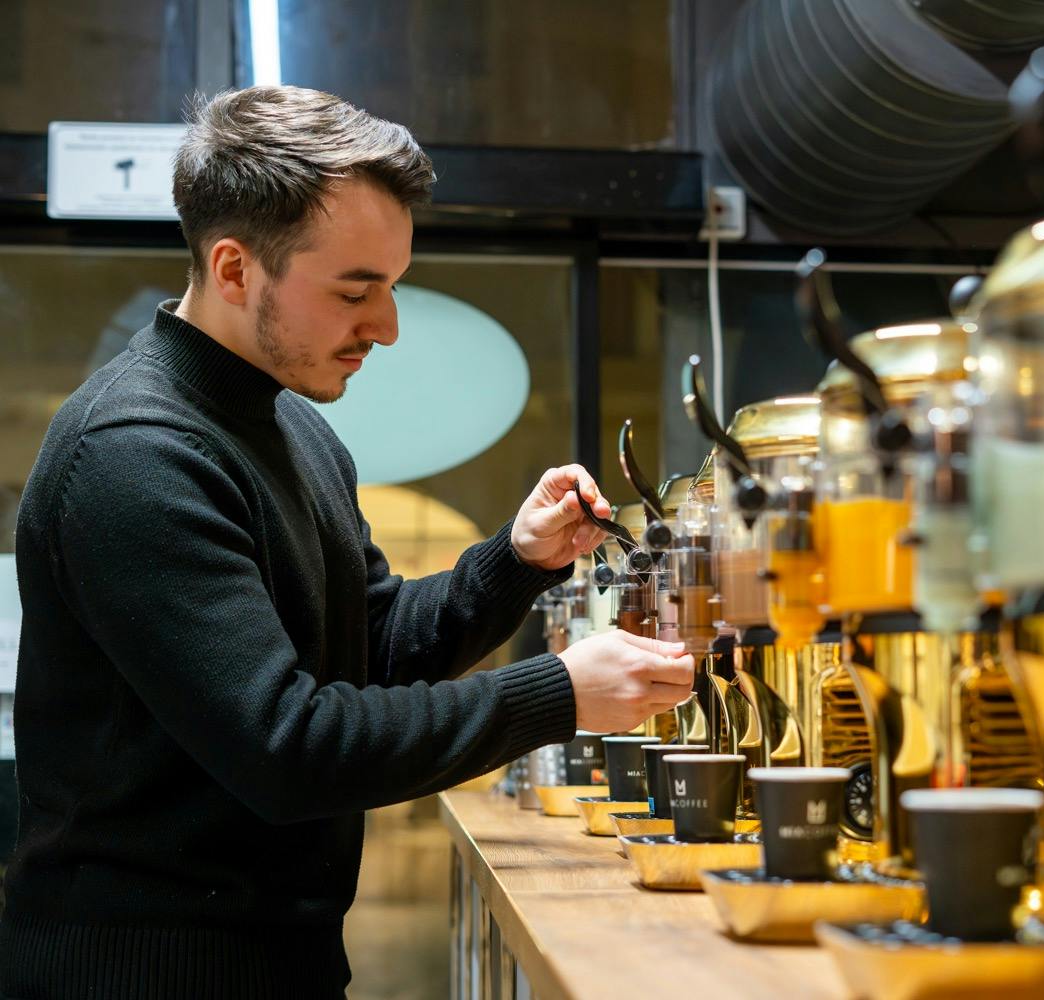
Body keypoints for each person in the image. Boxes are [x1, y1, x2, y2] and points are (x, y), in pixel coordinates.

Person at [0, 85, 695, 998]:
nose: (388, 327)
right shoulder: (136, 455)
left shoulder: (292, 425)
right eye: (355, 292)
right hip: (140, 975)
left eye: (393, 288)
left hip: (276, 964)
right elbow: (290, 748)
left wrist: (514, 561)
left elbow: (369, 647)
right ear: (235, 268)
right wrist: (558, 695)